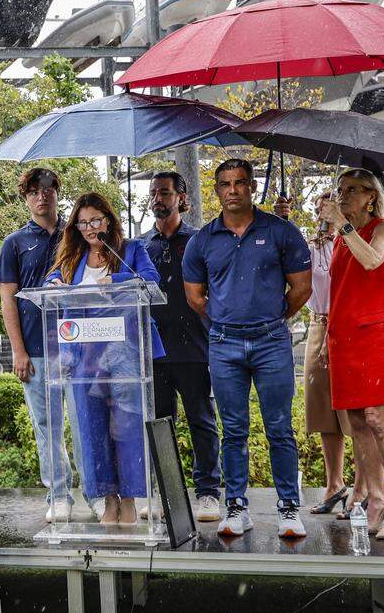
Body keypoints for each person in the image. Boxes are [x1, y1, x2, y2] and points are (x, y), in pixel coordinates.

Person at [182, 159, 313, 539]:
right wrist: (228, 320)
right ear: (216, 189)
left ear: (251, 187)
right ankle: (236, 507)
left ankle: (289, 508)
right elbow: (195, 296)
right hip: (223, 344)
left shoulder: (280, 231)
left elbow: (301, 287)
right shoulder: (202, 240)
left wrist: (272, 316)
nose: (233, 190)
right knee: (234, 430)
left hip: (271, 341)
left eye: (240, 182)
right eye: (225, 184)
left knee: (279, 429)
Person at [45, 193, 165, 525]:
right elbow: (49, 283)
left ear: (108, 220)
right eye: (82, 222)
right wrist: (54, 282)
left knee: (126, 428)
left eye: (95, 220)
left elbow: (151, 281)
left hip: (125, 352)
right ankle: (108, 499)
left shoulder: (130, 250)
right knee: (92, 428)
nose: (89, 228)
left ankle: (129, 499)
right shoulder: (73, 256)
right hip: (85, 357)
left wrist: (115, 280)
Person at [321, 168, 384, 540]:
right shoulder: (342, 235)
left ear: (372, 197)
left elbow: (373, 261)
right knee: (357, 423)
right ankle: (377, 498)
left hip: (377, 334)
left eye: (354, 190)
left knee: (378, 419)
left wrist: (342, 225)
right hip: (344, 337)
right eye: (341, 189)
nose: (344, 195)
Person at [0, 167, 75, 522]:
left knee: (86, 424)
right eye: (34, 191)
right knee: (47, 426)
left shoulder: (77, 235)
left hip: (78, 347)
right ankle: (58, 494)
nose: (42, 196)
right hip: (36, 351)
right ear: (26, 198)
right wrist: (19, 350)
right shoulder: (14, 243)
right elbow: (8, 300)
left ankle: (100, 493)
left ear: (57, 192)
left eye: (48, 189)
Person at [142, 172, 222, 521]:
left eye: (165, 192)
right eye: (153, 193)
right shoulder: (141, 245)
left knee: (202, 421)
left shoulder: (200, 240)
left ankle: (207, 492)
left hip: (195, 348)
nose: (158, 198)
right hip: (155, 350)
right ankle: (164, 490)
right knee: (161, 424)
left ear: (181, 198)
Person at [301, 192, 356, 516]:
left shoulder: (350, 243)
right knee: (323, 412)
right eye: (320, 207)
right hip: (317, 325)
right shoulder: (312, 247)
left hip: (345, 327)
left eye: (330, 206)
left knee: (354, 416)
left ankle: (363, 488)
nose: (324, 212)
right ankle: (334, 484)